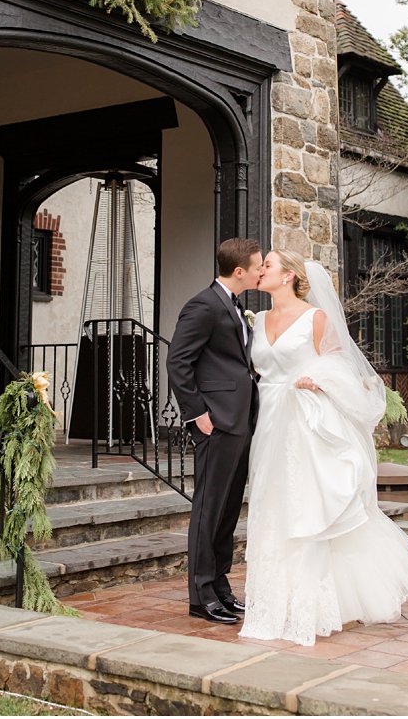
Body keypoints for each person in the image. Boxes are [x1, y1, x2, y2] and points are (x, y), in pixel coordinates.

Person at [238, 249, 408, 645]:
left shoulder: (315, 318)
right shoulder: (257, 321)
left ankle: (324, 601)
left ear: (288, 275)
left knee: (309, 504)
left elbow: (342, 366)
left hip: (306, 424)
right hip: (269, 422)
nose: (261, 270)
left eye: (268, 265)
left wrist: (315, 378)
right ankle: (278, 599)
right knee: (273, 506)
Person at [167, 237, 264, 625]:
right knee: (208, 510)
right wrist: (197, 414)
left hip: (241, 421)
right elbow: (178, 362)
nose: (261, 270)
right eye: (258, 266)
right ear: (239, 271)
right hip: (216, 422)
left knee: (226, 511)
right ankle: (200, 595)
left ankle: (220, 586)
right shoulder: (203, 305)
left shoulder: (236, 306)